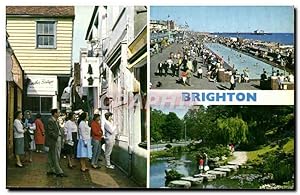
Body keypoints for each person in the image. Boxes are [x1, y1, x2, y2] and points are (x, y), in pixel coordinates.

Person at [45, 109, 67, 177]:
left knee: (52, 155)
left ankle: (51, 169)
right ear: (55, 113)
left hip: (57, 139)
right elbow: (50, 132)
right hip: (54, 140)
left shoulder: (55, 121)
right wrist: (56, 137)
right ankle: (59, 171)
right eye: (58, 112)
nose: (59, 114)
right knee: (55, 155)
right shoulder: (51, 121)